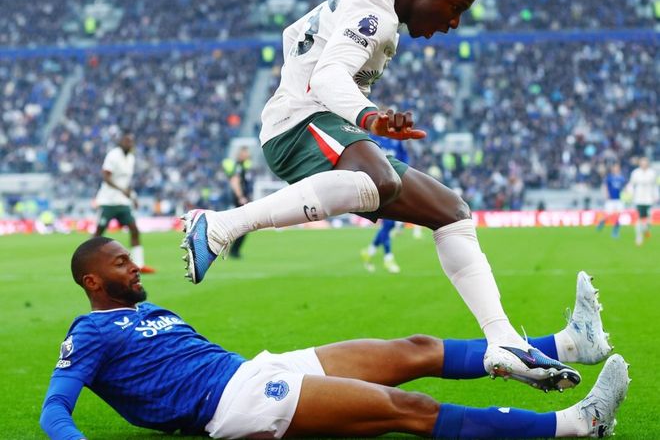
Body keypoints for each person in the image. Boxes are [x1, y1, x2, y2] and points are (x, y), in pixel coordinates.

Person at [181, 0, 576, 390]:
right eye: (455, 7)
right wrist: (370, 117)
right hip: (297, 124)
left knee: (452, 211)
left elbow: (302, 42)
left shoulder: (374, 3)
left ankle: (502, 340)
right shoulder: (376, 11)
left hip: (326, 124)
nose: (454, 22)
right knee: (380, 180)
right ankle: (221, 225)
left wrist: (367, 119)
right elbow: (326, 78)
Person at [41, 238, 625, 440]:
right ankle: (576, 424)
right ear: (92, 281)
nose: (135, 266)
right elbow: (54, 410)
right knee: (409, 408)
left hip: (253, 369)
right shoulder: (89, 332)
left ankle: (571, 344)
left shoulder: (153, 310)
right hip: (236, 404)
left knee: (413, 348)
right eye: (121, 263)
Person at [94, 132, 155, 273]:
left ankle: (139, 265)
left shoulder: (131, 158)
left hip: (122, 202)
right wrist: (122, 190)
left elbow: (126, 182)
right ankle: (90, 263)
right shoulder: (113, 155)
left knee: (134, 230)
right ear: (121, 141)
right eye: (127, 140)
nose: (129, 143)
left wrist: (133, 197)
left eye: (131, 141)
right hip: (108, 201)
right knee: (99, 233)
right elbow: (106, 177)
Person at [361, 135, 410, 273]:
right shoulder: (371, 138)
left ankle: (370, 251)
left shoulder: (397, 140)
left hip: (395, 183)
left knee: (389, 224)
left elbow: (404, 159)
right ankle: (388, 258)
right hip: (378, 185)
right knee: (388, 223)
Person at [222, 146, 254, 259]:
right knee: (243, 226)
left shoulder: (243, 166)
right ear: (241, 154)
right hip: (240, 200)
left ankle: (233, 250)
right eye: (246, 153)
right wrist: (241, 197)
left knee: (243, 226)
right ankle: (233, 251)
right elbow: (235, 181)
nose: (248, 155)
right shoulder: (239, 166)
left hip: (243, 199)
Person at [626, 156, 658, 246]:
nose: (644, 164)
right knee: (639, 218)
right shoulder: (635, 173)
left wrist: (656, 196)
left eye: (645, 162)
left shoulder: (652, 173)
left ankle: (645, 229)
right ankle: (639, 237)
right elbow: (631, 184)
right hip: (639, 199)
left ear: (647, 163)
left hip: (649, 199)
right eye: (642, 162)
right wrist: (630, 194)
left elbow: (654, 186)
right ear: (640, 163)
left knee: (649, 220)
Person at [596, 163, 626, 238]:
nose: (616, 169)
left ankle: (615, 231)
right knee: (608, 215)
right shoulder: (609, 178)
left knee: (618, 216)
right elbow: (605, 186)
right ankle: (602, 222)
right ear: (612, 169)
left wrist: (625, 195)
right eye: (615, 167)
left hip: (619, 199)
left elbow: (624, 188)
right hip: (610, 199)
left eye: (617, 167)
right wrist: (606, 194)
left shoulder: (622, 178)